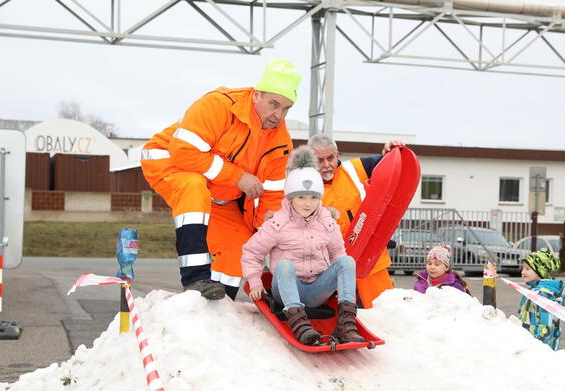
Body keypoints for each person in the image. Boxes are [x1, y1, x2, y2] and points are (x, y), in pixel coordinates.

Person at [140, 59, 301, 300]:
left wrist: (268, 239)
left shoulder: (280, 142)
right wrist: (238, 177)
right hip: (170, 162)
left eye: (286, 108)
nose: (278, 114)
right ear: (257, 95)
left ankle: (219, 302)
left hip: (219, 192)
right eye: (273, 104)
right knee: (193, 187)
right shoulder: (220, 105)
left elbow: (271, 197)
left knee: (240, 240)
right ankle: (195, 278)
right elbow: (183, 152)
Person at [241, 146, 364, 346]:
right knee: (284, 264)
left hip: (316, 291)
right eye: (301, 197)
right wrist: (255, 281)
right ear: (290, 197)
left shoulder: (327, 222)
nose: (308, 204)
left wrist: (338, 283)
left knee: (346, 261)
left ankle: (345, 323)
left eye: (314, 197)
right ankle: (299, 324)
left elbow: (337, 254)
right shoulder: (278, 223)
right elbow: (251, 252)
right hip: (286, 290)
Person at [307, 134, 403, 309]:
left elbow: (387, 163)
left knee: (385, 315)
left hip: (370, 263)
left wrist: (389, 151)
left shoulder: (354, 169)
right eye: (320, 160)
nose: (327, 165)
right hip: (331, 270)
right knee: (340, 320)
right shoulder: (304, 188)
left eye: (330, 158)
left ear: (337, 155)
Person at [517, 249, 565, 350]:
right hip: (528, 342)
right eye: (523, 268)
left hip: (538, 348)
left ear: (540, 271)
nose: (523, 272)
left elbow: (546, 325)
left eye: (527, 269)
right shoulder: (534, 290)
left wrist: (540, 348)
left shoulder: (544, 294)